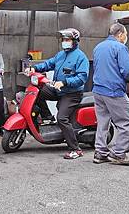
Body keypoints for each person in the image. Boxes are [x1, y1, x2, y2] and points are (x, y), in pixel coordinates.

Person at [26, 28, 89, 160]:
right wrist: (34, 68)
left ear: (75, 41)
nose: (64, 42)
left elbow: (82, 78)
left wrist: (65, 82)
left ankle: (75, 149)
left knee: (62, 118)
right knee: (37, 93)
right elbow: (49, 64)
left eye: (67, 40)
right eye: (63, 40)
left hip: (71, 94)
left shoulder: (81, 57)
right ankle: (47, 116)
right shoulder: (61, 54)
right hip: (57, 89)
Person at [92, 23, 129, 166]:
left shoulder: (98, 47)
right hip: (113, 90)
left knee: (103, 122)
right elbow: (128, 71)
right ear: (120, 34)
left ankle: (100, 153)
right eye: (126, 34)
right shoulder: (120, 47)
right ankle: (118, 153)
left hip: (98, 89)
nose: (126, 37)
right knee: (127, 121)